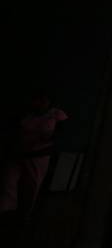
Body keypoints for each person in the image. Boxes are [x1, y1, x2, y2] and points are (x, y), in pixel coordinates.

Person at [0, 93, 68, 224]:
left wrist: (49, 140)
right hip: (18, 153)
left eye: (43, 100)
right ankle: (6, 212)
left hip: (39, 156)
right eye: (37, 100)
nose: (39, 103)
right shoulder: (26, 114)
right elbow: (14, 130)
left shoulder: (56, 115)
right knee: (8, 183)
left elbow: (61, 134)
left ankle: (24, 216)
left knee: (31, 187)